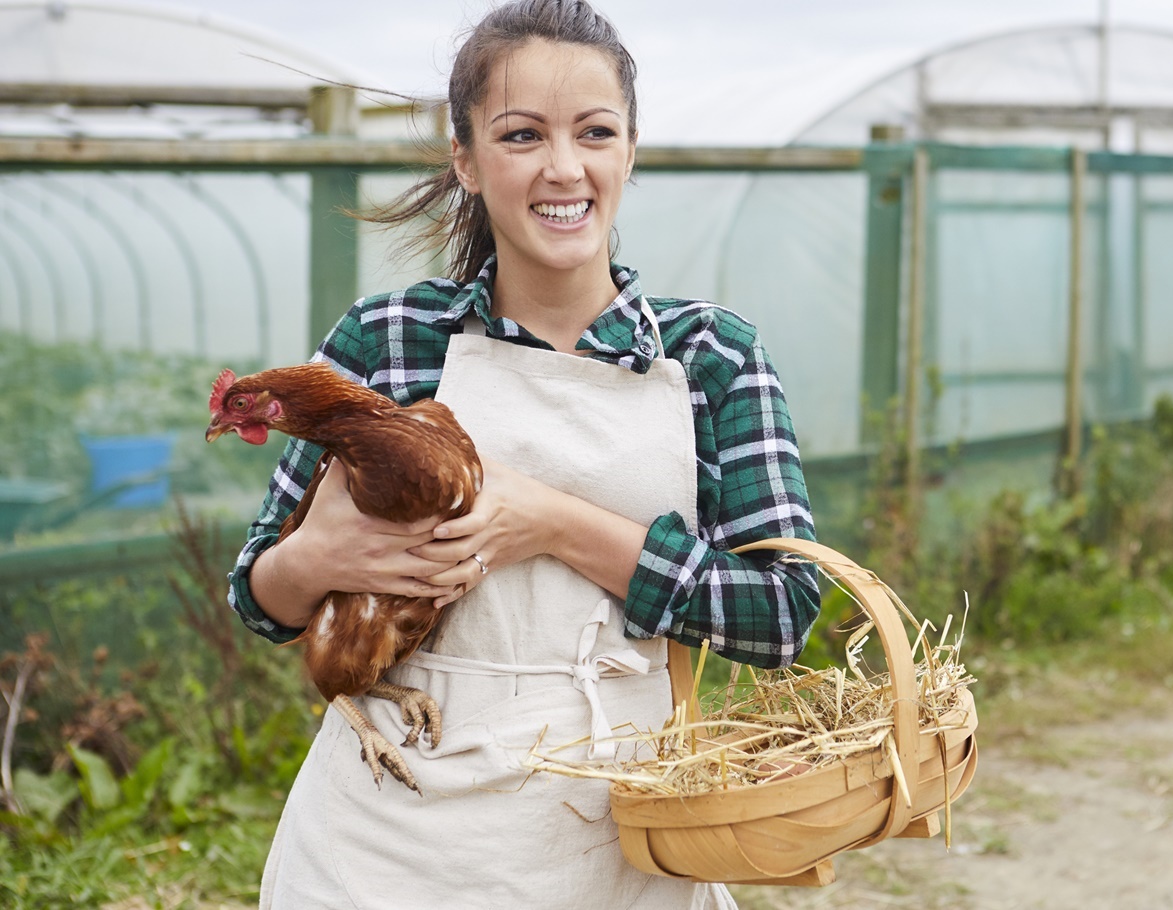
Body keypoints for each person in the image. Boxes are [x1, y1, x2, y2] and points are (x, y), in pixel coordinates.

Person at [225, 1, 820, 906]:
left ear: (629, 150)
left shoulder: (711, 356)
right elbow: (258, 597)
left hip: (613, 825)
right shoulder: (390, 339)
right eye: (520, 135)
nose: (563, 167)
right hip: (384, 837)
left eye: (594, 132)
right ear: (464, 158)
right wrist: (315, 557)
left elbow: (780, 616)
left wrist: (554, 523)